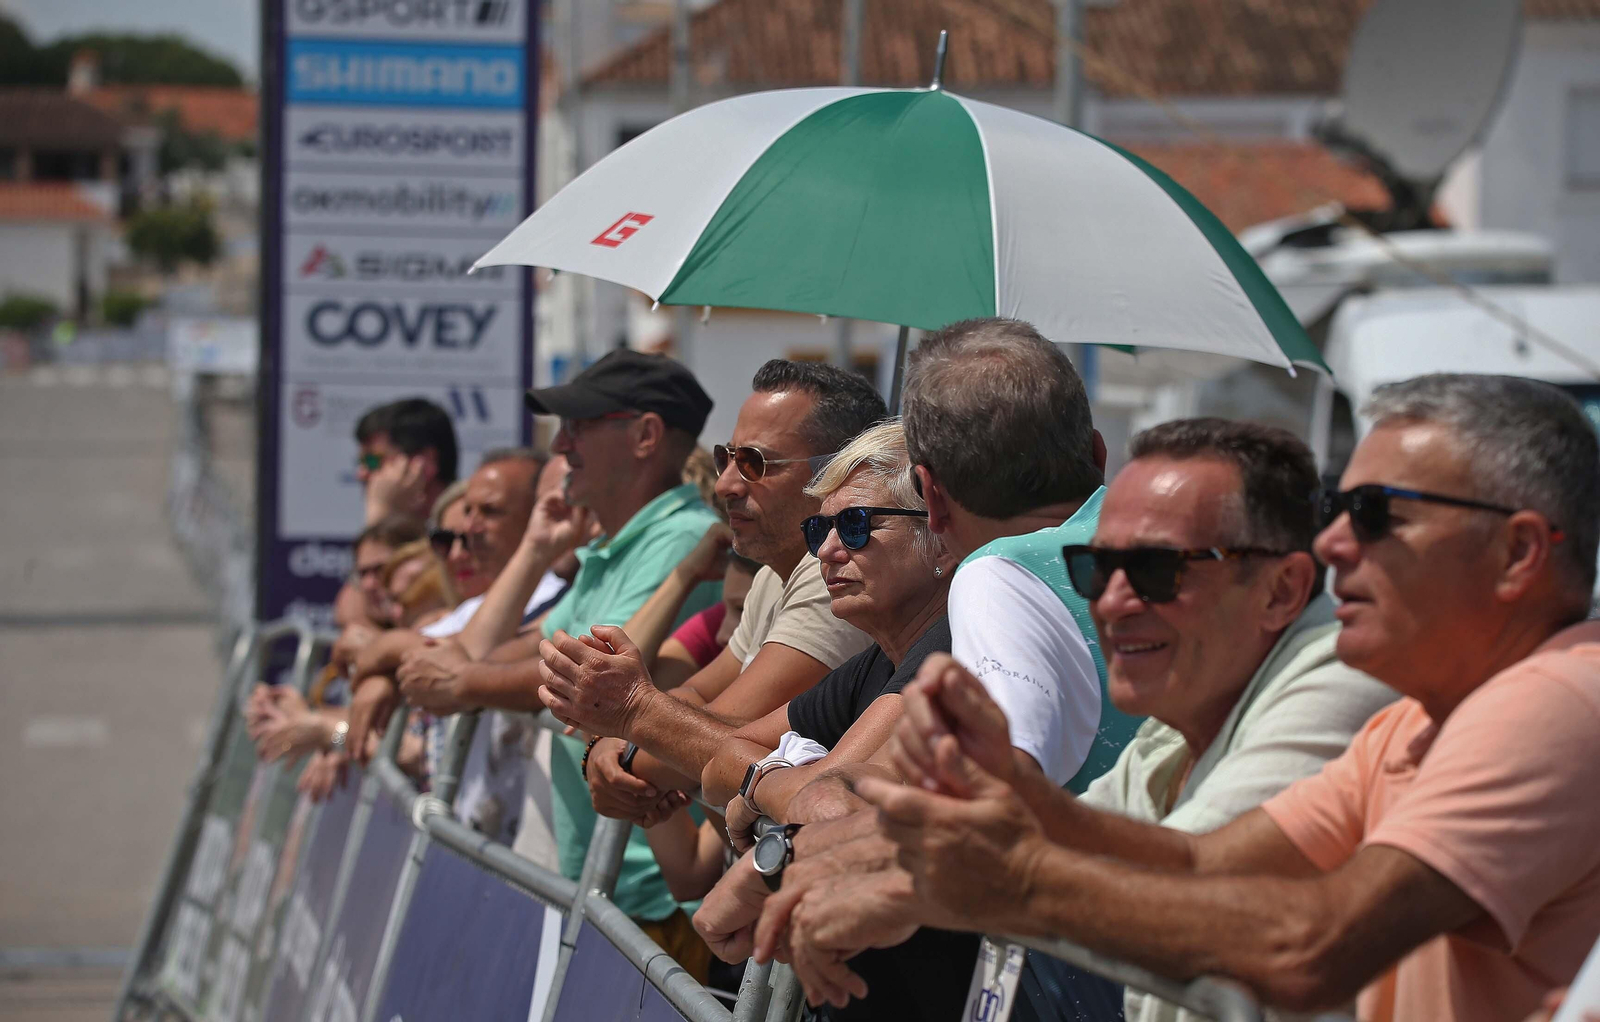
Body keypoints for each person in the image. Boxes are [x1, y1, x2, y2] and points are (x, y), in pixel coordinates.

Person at [858, 375, 1600, 1022]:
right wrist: (1015, 789)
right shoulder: (1418, 722)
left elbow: (1314, 946)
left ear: (1521, 552)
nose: (1335, 542)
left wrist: (1008, 880)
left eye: (1375, 513)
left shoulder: (1559, 696)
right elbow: (1197, 865)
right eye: (1339, 508)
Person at [765, 418, 1399, 1021]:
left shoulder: (1337, 679)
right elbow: (1078, 837)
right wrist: (834, 862)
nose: (1112, 602)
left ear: (1282, 591)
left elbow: (1197, 877)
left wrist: (913, 882)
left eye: (1155, 569)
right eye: (1095, 569)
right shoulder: (1177, 727)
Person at [393, 349, 728, 976]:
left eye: (578, 425)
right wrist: (464, 671)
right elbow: (507, 651)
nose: (561, 444)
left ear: (645, 436)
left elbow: (578, 675)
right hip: (610, 885)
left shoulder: (681, 536)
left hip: (651, 900)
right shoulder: (618, 544)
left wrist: (464, 683)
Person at [529, 359, 883, 832]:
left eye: (755, 463)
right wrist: (624, 741)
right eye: (726, 458)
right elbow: (698, 695)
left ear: (839, 473)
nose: (724, 485)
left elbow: (730, 727)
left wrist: (628, 733)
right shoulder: (773, 575)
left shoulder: (833, 575)